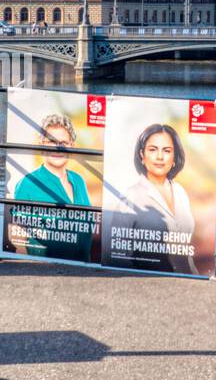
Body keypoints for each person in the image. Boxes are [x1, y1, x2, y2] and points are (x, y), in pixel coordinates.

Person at [109, 124, 196, 272]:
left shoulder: (180, 192)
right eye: (153, 150)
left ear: (175, 156)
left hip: (188, 282)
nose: (160, 157)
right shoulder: (131, 196)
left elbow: (186, 253)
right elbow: (115, 255)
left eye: (167, 151)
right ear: (142, 155)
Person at [12, 113, 93, 258]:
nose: (58, 148)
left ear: (72, 147)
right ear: (42, 145)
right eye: (51, 142)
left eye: (64, 143)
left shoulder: (79, 181)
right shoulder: (28, 183)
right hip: (47, 267)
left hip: (83, 266)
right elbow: (17, 235)